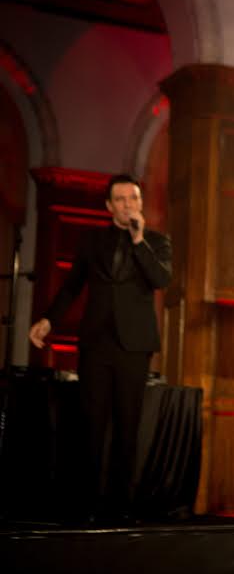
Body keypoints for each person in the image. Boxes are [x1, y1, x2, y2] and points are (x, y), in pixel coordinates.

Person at [28, 174, 172, 524]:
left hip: (134, 346)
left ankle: (121, 506)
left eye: (133, 199)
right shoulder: (92, 241)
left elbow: (161, 280)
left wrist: (138, 241)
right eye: (120, 200)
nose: (127, 205)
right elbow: (72, 286)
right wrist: (48, 320)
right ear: (109, 207)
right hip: (96, 343)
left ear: (141, 203)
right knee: (91, 424)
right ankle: (88, 503)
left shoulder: (156, 241)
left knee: (127, 425)